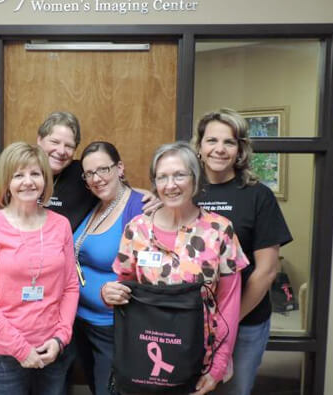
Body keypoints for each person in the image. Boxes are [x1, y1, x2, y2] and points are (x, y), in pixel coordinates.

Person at [102, 141, 249, 394]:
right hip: (146, 355)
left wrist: (218, 365)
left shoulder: (219, 230)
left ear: (195, 178)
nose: (171, 185)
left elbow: (229, 303)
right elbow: (123, 287)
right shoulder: (137, 229)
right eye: (162, 177)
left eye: (179, 175)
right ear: (154, 182)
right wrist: (108, 293)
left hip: (201, 357)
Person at [0, 111, 158, 232]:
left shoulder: (81, 174)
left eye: (69, 146)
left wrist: (141, 193)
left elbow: (109, 187)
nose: (61, 151)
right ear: (39, 141)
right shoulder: (7, 167)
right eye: (54, 142)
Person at [192, 109, 293, 395]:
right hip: (190, 322)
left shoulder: (258, 195)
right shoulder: (186, 189)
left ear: (240, 150)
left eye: (229, 142)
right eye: (212, 140)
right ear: (199, 146)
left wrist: (226, 322)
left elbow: (267, 271)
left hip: (244, 321)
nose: (219, 149)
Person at [0, 142, 79, 395]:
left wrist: (60, 338)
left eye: (35, 174)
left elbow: (71, 286)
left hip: (51, 349)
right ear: (6, 181)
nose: (28, 182)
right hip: (3, 356)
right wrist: (20, 349)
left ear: (45, 178)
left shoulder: (60, 225)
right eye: (18, 175)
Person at [71, 141, 143, 395]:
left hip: (112, 328)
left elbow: (155, 273)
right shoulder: (96, 206)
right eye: (89, 173)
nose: (97, 179)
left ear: (120, 168)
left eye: (104, 169)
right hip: (81, 323)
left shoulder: (140, 208)